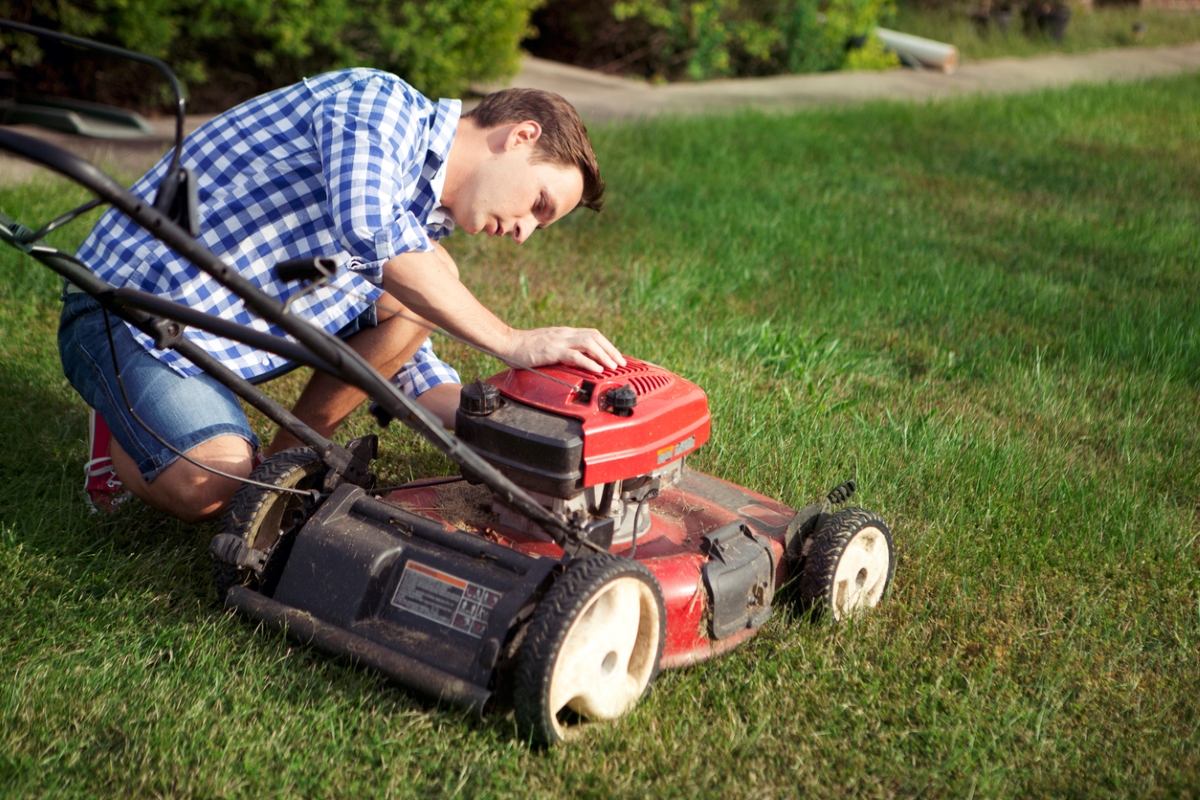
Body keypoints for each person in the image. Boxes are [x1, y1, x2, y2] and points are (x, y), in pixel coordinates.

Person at [59, 68, 624, 522]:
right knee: (211, 484)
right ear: (520, 135)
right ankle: (120, 426)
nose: (526, 231)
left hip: (221, 333)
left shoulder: (424, 221)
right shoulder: (380, 105)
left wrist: (508, 421)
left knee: (428, 282)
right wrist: (512, 343)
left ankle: (287, 463)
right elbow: (371, 236)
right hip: (128, 310)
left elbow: (401, 359)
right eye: (540, 205)